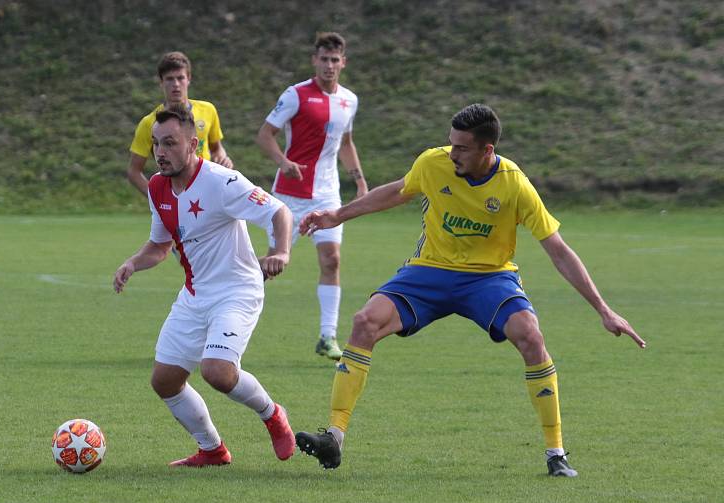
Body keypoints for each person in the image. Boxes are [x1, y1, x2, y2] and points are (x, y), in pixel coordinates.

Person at [294, 104, 646, 477]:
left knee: (530, 335)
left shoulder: (514, 183)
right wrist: (337, 214)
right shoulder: (434, 163)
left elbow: (558, 249)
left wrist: (603, 310)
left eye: (461, 147)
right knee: (365, 321)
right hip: (430, 271)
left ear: (487, 150)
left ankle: (555, 453)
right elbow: (398, 191)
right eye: (450, 144)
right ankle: (334, 437)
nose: (452, 153)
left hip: (488, 278)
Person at [114, 106, 295, 467]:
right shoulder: (157, 187)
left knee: (217, 372)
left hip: (238, 290)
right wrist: (133, 262)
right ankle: (212, 450)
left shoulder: (222, 182)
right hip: (196, 295)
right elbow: (161, 246)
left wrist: (280, 251)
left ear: (193, 144)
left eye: (169, 143)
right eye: (155, 145)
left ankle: (272, 414)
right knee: (165, 382)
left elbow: (279, 212)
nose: (160, 153)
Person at [256, 32, 368, 361]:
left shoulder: (349, 100)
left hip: (327, 195)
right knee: (272, 264)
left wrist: (359, 182)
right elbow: (264, 136)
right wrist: (283, 161)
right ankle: (225, 323)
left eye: (335, 60)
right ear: (314, 61)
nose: (329, 65)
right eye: (324, 59)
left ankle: (327, 336)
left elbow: (346, 144)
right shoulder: (295, 95)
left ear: (343, 63)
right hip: (290, 195)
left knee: (331, 260)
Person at [127, 51, 233, 198]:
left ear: (188, 79)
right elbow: (134, 171)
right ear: (161, 82)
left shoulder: (208, 110)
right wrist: (156, 198)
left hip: (209, 191)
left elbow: (216, 148)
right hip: (176, 192)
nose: (176, 84)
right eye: (169, 79)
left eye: (180, 78)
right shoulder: (150, 123)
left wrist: (223, 158)